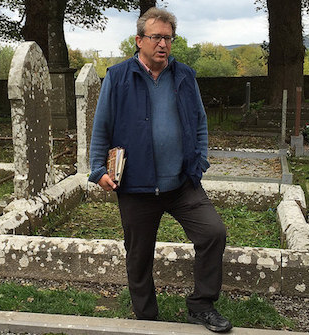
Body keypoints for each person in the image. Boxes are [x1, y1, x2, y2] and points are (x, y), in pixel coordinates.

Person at [88, 7, 232, 333]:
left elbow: (199, 123)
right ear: (139, 40)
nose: (163, 44)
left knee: (213, 233)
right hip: (137, 186)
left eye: (168, 38)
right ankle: (146, 318)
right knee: (139, 256)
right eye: (156, 37)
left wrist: (200, 160)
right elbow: (102, 127)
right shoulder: (118, 76)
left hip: (182, 183)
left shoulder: (185, 76)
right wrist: (98, 170)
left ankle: (201, 305)